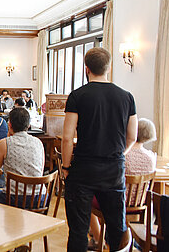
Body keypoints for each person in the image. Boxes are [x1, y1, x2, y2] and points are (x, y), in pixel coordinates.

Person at [62, 48, 137, 251]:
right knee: (116, 228)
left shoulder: (77, 96)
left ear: (86, 69)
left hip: (83, 170)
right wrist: (120, 154)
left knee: (78, 230)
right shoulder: (126, 97)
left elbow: (68, 137)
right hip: (114, 170)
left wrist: (65, 166)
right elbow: (132, 136)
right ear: (109, 67)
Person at [88, 118, 157, 248]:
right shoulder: (151, 158)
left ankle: (98, 239)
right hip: (139, 202)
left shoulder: (121, 155)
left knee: (88, 198)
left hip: (118, 201)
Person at [0, 108, 44, 204]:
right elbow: (40, 169)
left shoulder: (5, 143)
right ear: (28, 125)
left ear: (9, 124)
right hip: (40, 198)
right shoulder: (38, 142)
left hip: (14, 198)